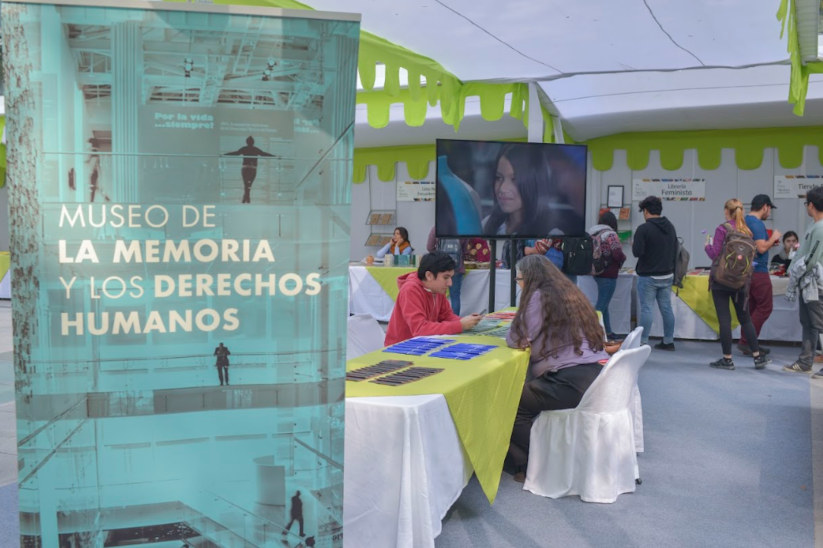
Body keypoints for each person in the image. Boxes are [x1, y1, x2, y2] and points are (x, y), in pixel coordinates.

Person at [505, 254, 609, 482]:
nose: (519, 285)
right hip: (595, 376)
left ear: (529, 279)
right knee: (526, 394)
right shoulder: (570, 293)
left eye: (519, 280)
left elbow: (516, 338)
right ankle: (525, 461)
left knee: (508, 402)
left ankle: (539, 462)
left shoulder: (537, 297)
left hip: (568, 381)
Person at [704, 199, 770, 370]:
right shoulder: (747, 231)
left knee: (724, 319)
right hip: (741, 282)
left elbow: (715, 254)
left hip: (721, 280)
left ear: (726, 211)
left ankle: (727, 359)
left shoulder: (722, 229)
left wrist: (707, 246)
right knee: (745, 319)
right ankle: (757, 357)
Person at [383, 252, 483, 346]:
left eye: (451, 277)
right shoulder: (410, 290)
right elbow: (420, 329)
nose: (450, 283)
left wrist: (467, 321)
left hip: (424, 344)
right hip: (401, 348)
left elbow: (446, 316)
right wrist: (460, 325)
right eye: (446, 277)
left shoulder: (436, 288)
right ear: (429, 275)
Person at [482, 144, 553, 267]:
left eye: (514, 179)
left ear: (533, 182)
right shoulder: (487, 223)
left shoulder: (551, 231)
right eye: (499, 178)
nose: (502, 188)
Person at [783, 186, 823, 375]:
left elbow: (811, 258)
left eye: (806, 203)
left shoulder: (820, 227)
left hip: (815, 285)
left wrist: (796, 272)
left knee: (819, 324)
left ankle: (807, 361)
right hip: (807, 283)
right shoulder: (814, 226)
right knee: (808, 323)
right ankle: (805, 361)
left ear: (811, 205)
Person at [737, 194, 781, 356]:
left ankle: (749, 342)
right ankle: (747, 341)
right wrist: (773, 238)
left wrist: (768, 242)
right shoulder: (757, 223)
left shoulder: (745, 221)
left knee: (752, 308)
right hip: (758, 271)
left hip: (746, 271)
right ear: (765, 207)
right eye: (769, 209)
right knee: (765, 307)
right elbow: (761, 248)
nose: (769, 212)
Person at [632, 195, 677, 349]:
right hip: (667, 274)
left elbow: (637, 252)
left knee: (647, 309)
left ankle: (643, 342)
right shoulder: (670, 226)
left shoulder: (643, 229)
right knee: (667, 308)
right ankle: (669, 341)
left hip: (648, 276)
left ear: (645, 211)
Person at [588, 210, 627, 340]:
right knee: (601, 306)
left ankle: (608, 332)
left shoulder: (593, 233)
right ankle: (590, 331)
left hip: (597, 271)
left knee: (605, 305)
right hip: (609, 273)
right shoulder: (611, 234)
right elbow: (617, 253)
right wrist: (623, 258)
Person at [224, 136, 275, 203]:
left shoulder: (244, 149)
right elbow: (263, 154)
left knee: (246, 184)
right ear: (253, 142)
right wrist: (274, 156)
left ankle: (245, 199)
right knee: (249, 185)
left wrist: (225, 154)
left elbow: (236, 153)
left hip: (245, 168)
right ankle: (247, 199)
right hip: (252, 169)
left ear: (246, 142)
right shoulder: (255, 149)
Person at [426, 227, 465, 314]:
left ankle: (438, 318)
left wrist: (438, 255)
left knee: (439, 296)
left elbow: (429, 247)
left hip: (440, 267)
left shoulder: (436, 228)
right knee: (455, 296)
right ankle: (455, 320)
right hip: (456, 268)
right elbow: (465, 249)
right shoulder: (461, 228)